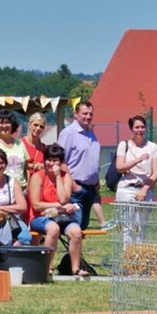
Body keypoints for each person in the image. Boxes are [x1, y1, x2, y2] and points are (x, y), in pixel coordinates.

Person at [28, 144, 85, 278]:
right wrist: (59, 206)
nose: (51, 163)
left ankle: (75, 269)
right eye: (49, 159)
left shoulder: (66, 177)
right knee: (53, 229)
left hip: (62, 217)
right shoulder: (38, 177)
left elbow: (64, 199)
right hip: (40, 217)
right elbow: (36, 205)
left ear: (61, 162)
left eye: (55, 160)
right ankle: (47, 267)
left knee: (76, 232)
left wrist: (58, 176)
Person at [57, 101, 100, 230]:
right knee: (74, 227)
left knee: (83, 226)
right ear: (76, 114)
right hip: (75, 190)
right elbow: (60, 160)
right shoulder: (68, 133)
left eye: (90, 114)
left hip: (91, 189)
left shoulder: (91, 134)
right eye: (84, 113)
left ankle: (74, 251)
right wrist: (73, 184)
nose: (88, 117)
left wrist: (96, 181)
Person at [114, 115, 157, 204]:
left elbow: (156, 173)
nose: (140, 130)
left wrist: (144, 189)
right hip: (126, 189)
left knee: (144, 218)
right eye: (137, 127)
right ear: (131, 129)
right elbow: (119, 167)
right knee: (126, 218)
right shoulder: (123, 145)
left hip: (146, 190)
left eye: (142, 127)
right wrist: (138, 160)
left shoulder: (153, 147)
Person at [0, 110, 30, 191]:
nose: (4, 126)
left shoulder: (20, 144)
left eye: (7, 122)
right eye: (1, 123)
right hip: (1, 189)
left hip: (22, 188)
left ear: (12, 125)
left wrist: (28, 186)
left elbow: (26, 169)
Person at [22, 112, 48, 180]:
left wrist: (43, 166)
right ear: (29, 125)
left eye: (41, 126)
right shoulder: (20, 144)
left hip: (39, 184)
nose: (38, 128)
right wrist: (32, 166)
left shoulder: (45, 148)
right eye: (35, 125)